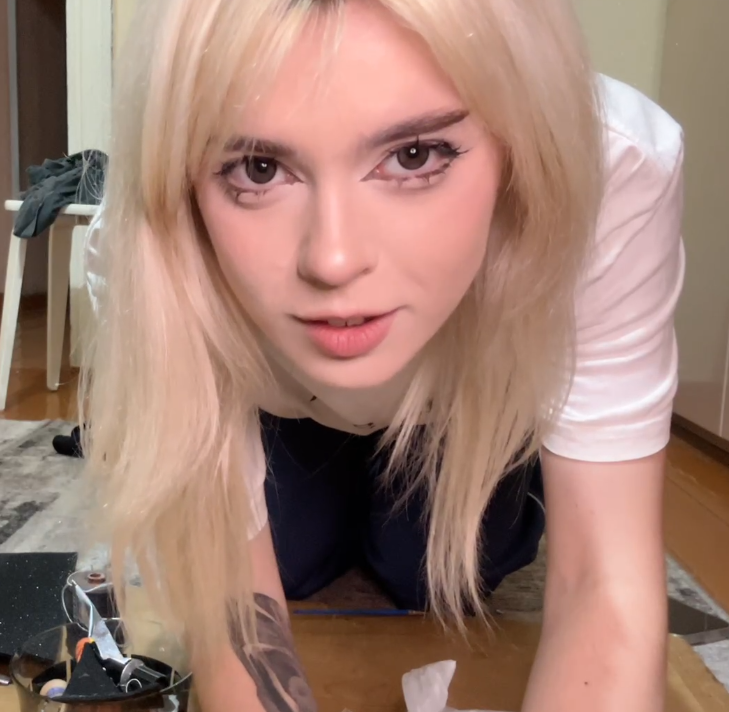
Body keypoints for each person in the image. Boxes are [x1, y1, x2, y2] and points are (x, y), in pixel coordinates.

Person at [81, 1, 685, 711]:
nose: (333, 260)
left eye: (414, 155)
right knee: (291, 563)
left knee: (433, 575)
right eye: (258, 168)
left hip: (463, 404)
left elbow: (605, 584)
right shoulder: (140, 244)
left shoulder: (613, 170)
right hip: (282, 406)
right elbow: (236, 619)